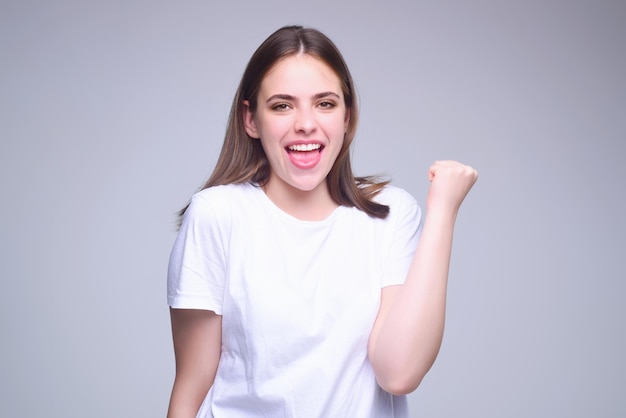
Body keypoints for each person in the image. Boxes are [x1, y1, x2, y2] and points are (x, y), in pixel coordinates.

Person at [166, 25, 477, 418]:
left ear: (348, 116)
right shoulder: (216, 214)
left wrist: (444, 211)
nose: (306, 123)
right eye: (282, 105)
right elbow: (192, 385)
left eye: (325, 104)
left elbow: (398, 372)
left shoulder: (392, 215)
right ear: (251, 120)